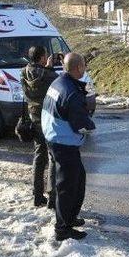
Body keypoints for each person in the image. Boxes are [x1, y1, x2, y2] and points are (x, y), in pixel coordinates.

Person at [41, 52, 95, 241]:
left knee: (78, 179)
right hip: (63, 142)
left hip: (54, 137)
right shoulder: (71, 92)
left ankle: (69, 217)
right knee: (67, 186)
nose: (85, 69)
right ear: (78, 68)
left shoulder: (59, 82)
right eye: (84, 66)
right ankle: (62, 228)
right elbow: (80, 122)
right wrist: (90, 127)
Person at [21, 46, 58, 208]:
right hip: (48, 118)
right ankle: (52, 197)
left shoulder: (23, 72)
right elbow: (57, 80)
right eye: (46, 56)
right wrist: (50, 67)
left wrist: (46, 67)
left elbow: (37, 79)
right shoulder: (49, 74)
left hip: (33, 116)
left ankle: (37, 196)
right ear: (42, 57)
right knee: (52, 157)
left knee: (38, 157)